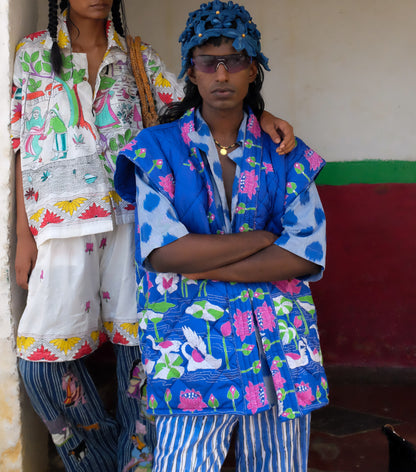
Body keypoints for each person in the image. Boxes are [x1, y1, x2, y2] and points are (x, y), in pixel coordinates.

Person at [10, 0, 295, 471]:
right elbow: (21, 142)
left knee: (140, 358)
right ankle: (98, 462)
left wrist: (260, 117)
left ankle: (136, 464)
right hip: (61, 226)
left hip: (132, 222)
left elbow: (198, 107)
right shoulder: (33, 54)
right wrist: (25, 237)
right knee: (40, 361)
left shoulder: (138, 58)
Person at [114, 1, 328, 471]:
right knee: (185, 463)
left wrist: (205, 265)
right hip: (190, 348)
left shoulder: (287, 154)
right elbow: (165, 253)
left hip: (279, 344)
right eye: (209, 62)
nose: (222, 73)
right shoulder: (158, 150)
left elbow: (307, 254)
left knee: (279, 464)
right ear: (192, 71)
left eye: (235, 60)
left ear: (254, 69)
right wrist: (266, 238)